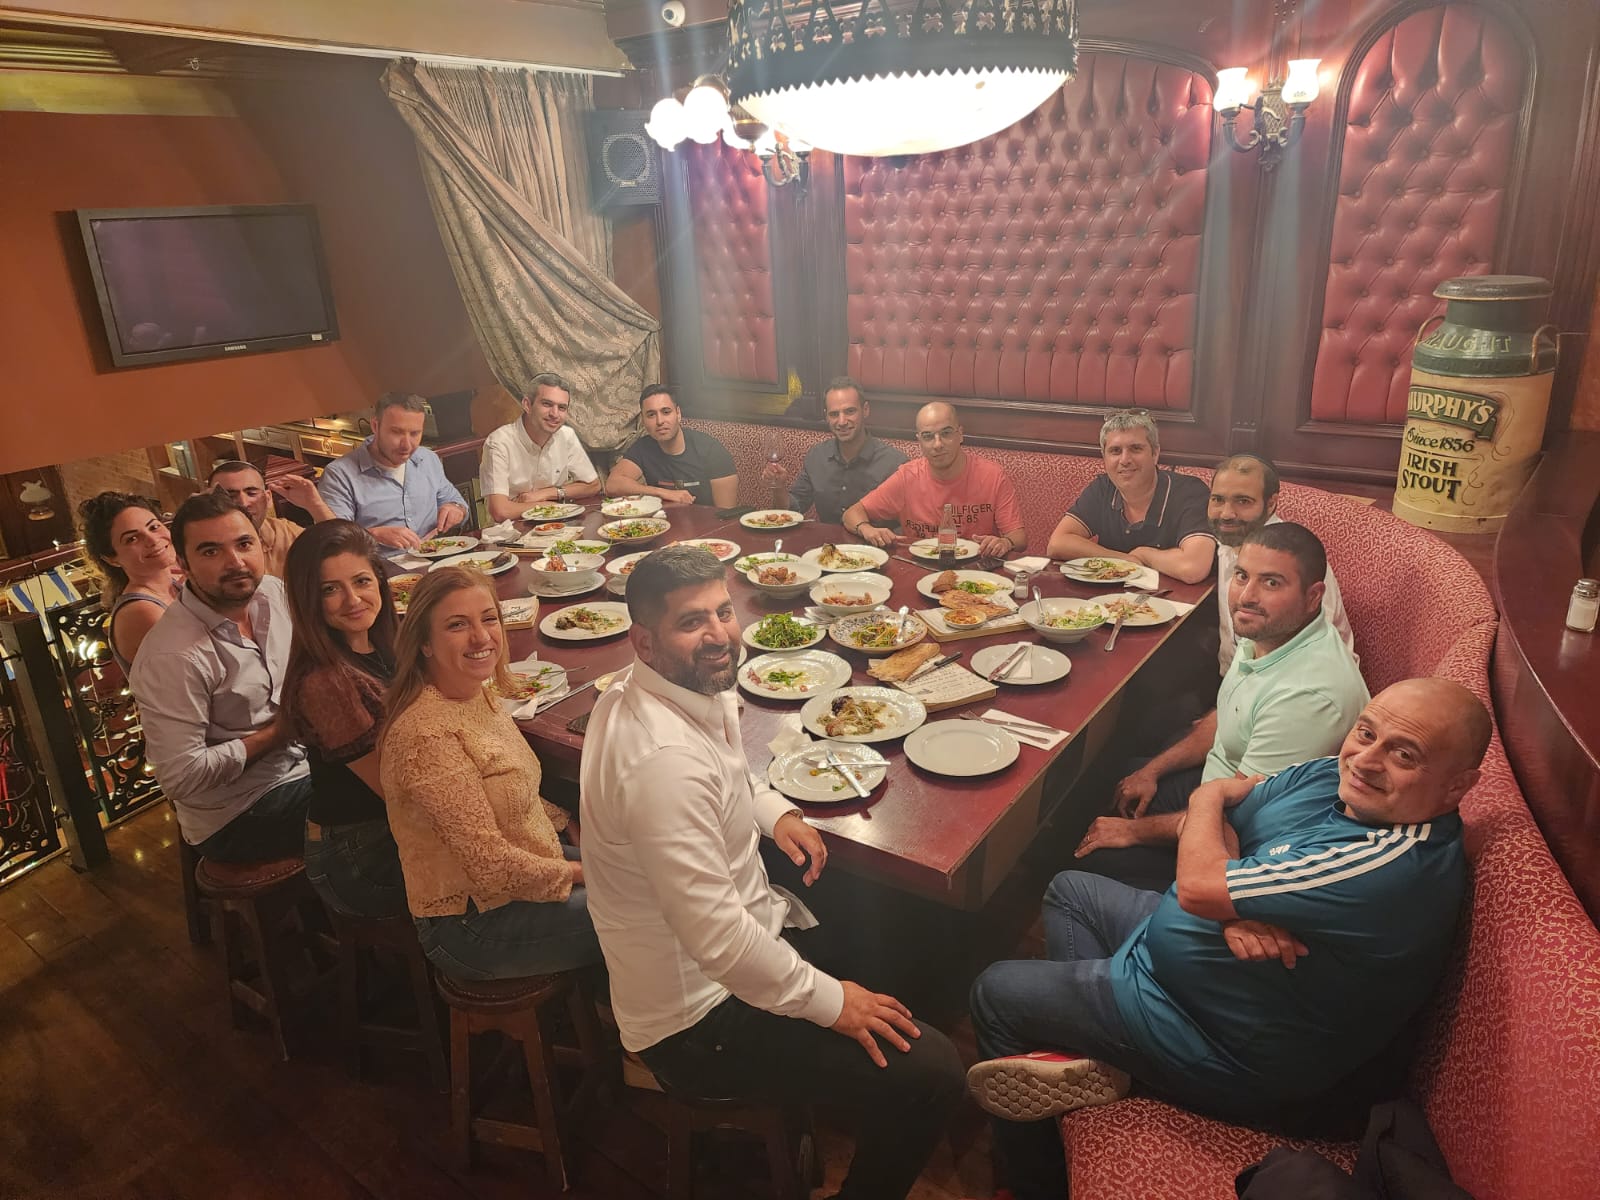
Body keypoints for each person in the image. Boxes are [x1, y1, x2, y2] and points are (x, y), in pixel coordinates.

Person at [967, 677, 1491, 1200]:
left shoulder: (1390, 860)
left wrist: (1214, 843)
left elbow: (1200, 876)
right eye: (1366, 732)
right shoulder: (1332, 774)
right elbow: (1223, 824)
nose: (1366, 760)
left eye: (1404, 754)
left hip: (1215, 1042)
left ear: (1457, 787)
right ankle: (1092, 1052)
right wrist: (1232, 902)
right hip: (1188, 965)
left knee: (996, 992)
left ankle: (1033, 1184)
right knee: (1070, 890)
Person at [579, 546, 964, 1199]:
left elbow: (726, 770)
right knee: (936, 1074)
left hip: (737, 943)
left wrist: (774, 811)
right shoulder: (661, 764)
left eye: (722, 612)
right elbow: (722, 944)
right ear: (644, 641)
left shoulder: (666, 686)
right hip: (698, 1020)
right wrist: (835, 1004)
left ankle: (851, 1100)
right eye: (691, 621)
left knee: (906, 926)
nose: (719, 634)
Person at [1075, 522, 1369, 891]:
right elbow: (1227, 719)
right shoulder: (1269, 633)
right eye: (1242, 576)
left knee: (1094, 859)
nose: (1247, 595)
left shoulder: (1309, 696)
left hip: (1242, 843)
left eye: (1271, 582)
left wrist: (1133, 832)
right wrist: (1153, 770)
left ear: (1313, 597)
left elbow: (1240, 814)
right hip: (1219, 786)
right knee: (1121, 778)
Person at [378, 567, 596, 980]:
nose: (481, 637)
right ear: (423, 642)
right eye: (457, 625)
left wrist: (568, 823)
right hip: (472, 920)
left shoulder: (477, 693)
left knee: (649, 871)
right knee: (651, 908)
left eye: (489, 618)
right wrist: (586, 872)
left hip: (527, 867)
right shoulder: (427, 735)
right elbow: (491, 866)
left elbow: (511, 789)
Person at [129, 490, 310, 861]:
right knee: (381, 798)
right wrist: (279, 733)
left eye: (244, 544)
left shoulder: (272, 593)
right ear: (183, 563)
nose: (236, 562)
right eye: (211, 551)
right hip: (240, 811)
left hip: (305, 763)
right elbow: (181, 777)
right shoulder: (172, 656)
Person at [281, 521, 407, 919]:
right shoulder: (326, 683)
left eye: (361, 581)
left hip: (398, 825)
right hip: (361, 857)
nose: (353, 600)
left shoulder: (386, 643)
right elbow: (397, 790)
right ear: (308, 600)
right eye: (329, 590)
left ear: (380, 581)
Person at [1208, 453, 1354, 674]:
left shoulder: (1292, 558)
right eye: (1218, 499)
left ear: (1271, 504)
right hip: (1239, 678)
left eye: (1243, 501)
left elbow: (1310, 655)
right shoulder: (1227, 541)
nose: (1226, 513)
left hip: (1295, 682)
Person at [1047, 409, 1215, 584]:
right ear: (1104, 457)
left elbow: (1193, 568)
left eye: (1136, 449)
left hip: (1175, 599)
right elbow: (1057, 543)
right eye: (1115, 451)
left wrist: (1144, 554)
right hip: (1110, 598)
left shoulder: (1190, 492)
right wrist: (1124, 559)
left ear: (1155, 454)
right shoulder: (1103, 488)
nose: (1125, 460)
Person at [841, 401, 1026, 559]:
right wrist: (866, 529)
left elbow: (1019, 538)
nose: (937, 444)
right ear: (919, 441)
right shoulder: (907, 477)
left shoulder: (992, 475)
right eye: (928, 436)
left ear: (960, 434)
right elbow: (851, 514)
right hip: (920, 569)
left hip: (978, 572)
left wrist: (1005, 542)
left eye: (946, 433)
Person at [318, 392, 470, 553]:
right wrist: (372, 535)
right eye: (396, 432)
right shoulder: (339, 475)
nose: (406, 445)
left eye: (415, 434)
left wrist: (456, 509)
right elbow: (335, 541)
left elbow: (457, 502)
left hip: (434, 558)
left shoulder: (427, 459)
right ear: (375, 426)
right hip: (378, 565)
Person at [762, 376, 906, 525]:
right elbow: (792, 511)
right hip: (826, 540)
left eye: (850, 411)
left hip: (872, 540)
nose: (842, 421)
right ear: (826, 416)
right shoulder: (817, 456)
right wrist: (779, 488)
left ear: (865, 410)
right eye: (834, 414)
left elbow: (907, 524)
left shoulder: (895, 464)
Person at [77, 491, 183, 673]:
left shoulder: (173, 585)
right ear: (111, 559)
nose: (152, 540)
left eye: (154, 527)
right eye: (132, 539)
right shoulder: (141, 611)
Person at [479, 372, 602, 521]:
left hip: (558, 525)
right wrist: (549, 506)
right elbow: (500, 511)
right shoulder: (499, 443)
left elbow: (593, 485)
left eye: (562, 408)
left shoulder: (566, 435)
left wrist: (546, 494)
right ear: (527, 405)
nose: (554, 414)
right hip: (511, 530)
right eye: (547, 404)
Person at [605, 385, 738, 507]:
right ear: (643, 420)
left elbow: (726, 514)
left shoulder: (711, 450)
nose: (659, 421)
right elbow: (612, 485)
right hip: (662, 522)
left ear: (678, 414)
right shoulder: (643, 447)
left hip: (706, 524)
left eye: (666, 412)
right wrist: (662, 493)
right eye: (651, 415)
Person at [209, 459, 334, 579]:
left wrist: (316, 506)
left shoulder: (285, 533)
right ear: (210, 501)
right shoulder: (203, 542)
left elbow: (338, 553)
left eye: (252, 493)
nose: (243, 503)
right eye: (230, 496)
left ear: (268, 499)